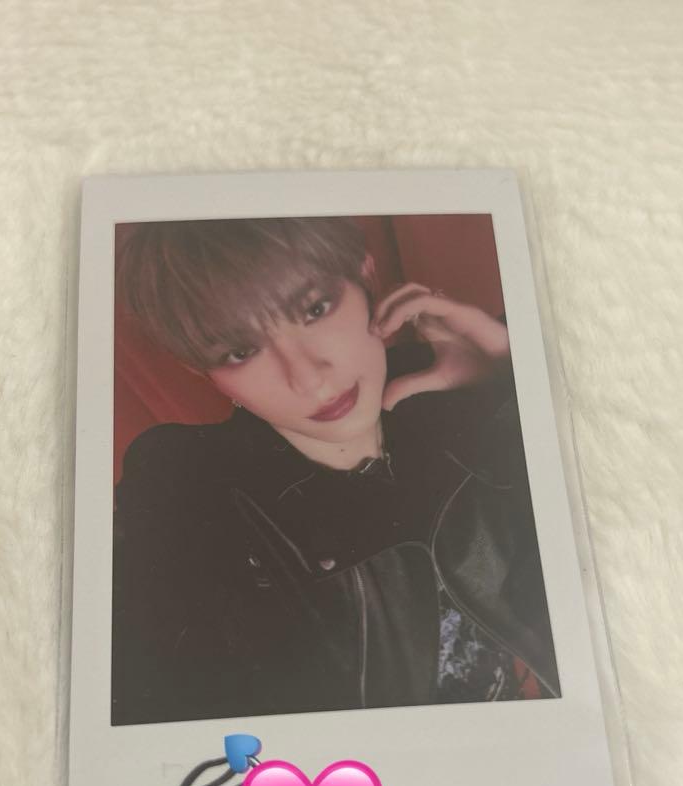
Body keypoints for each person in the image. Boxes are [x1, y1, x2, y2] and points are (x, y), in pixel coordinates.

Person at [112, 216, 560, 725]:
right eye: (240, 352)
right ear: (203, 372)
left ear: (366, 278)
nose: (309, 379)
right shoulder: (185, 490)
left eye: (315, 309)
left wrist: (511, 384)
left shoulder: (462, 384)